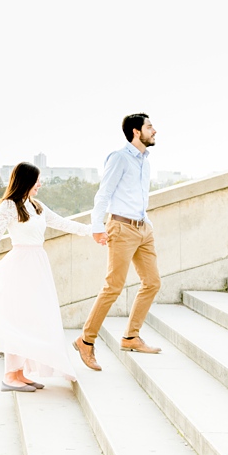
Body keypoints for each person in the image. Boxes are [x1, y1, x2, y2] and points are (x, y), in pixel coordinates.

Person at [0, 163, 107, 390]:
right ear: (26, 181)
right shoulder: (9, 206)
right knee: (18, 318)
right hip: (20, 266)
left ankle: (20, 373)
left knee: (32, 320)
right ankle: (10, 375)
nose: (40, 184)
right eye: (37, 180)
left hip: (38, 265)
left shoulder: (36, 206)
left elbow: (61, 223)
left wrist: (92, 231)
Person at [74, 113, 163, 371]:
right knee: (113, 286)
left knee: (153, 282)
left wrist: (146, 223)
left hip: (142, 229)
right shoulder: (120, 158)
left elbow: (138, 197)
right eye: (149, 127)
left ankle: (131, 337)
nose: (154, 130)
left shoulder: (145, 162)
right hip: (121, 228)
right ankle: (86, 340)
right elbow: (104, 194)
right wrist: (97, 226)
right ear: (136, 131)